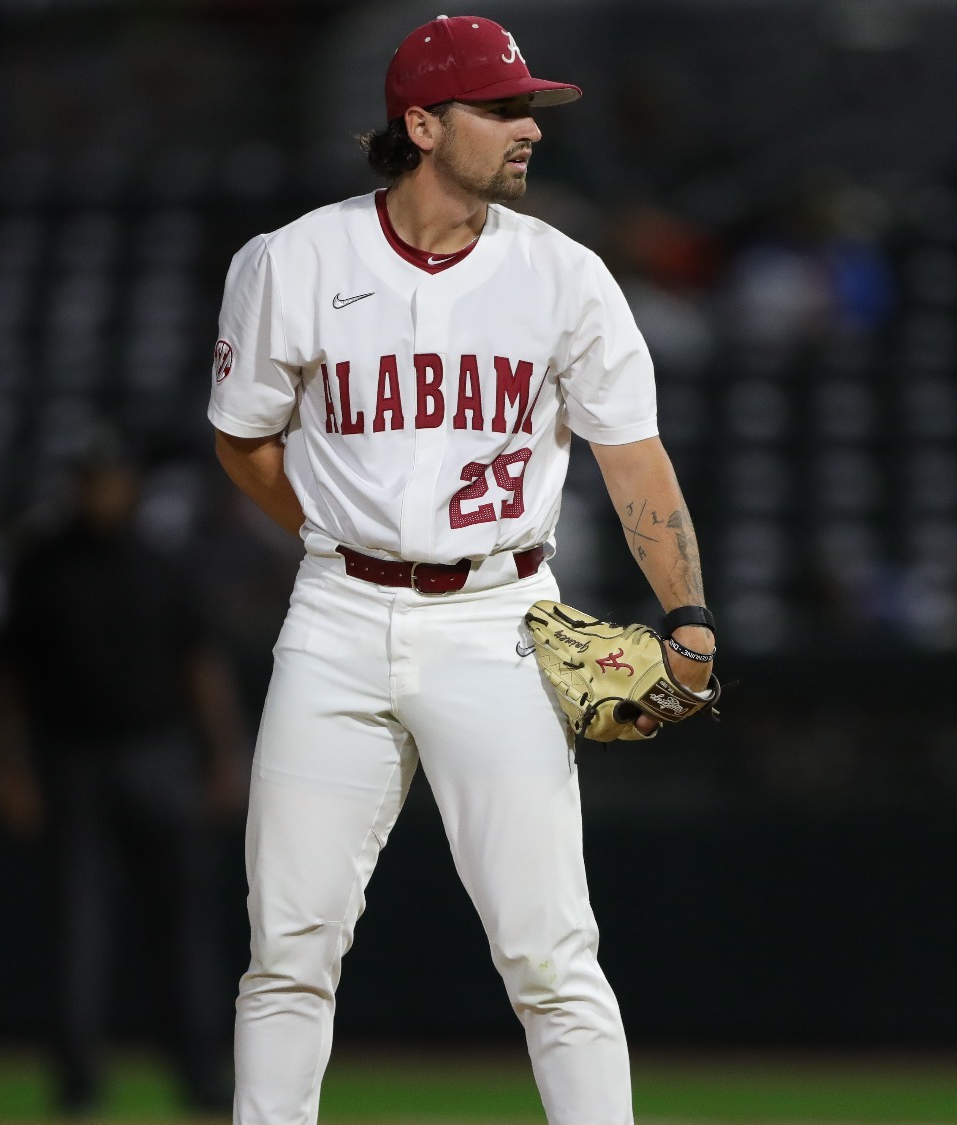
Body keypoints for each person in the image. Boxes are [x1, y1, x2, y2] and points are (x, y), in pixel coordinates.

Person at [208, 15, 717, 1125]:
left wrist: (686, 612)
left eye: (528, 107)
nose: (528, 127)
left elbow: (633, 459)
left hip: (498, 615)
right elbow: (242, 440)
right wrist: (331, 534)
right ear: (424, 124)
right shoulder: (293, 262)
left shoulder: (563, 274)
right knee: (289, 945)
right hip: (337, 616)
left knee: (549, 951)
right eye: (501, 108)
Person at [0, 441, 249, 1119]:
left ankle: (200, 1075)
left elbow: (202, 665)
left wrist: (223, 756)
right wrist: (11, 769)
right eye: (88, 480)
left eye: (108, 479)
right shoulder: (41, 564)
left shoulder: (164, 563)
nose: (99, 492)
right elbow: (9, 679)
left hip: (160, 754)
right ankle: (78, 1082)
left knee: (183, 929)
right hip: (71, 759)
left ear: (130, 485)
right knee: (77, 930)